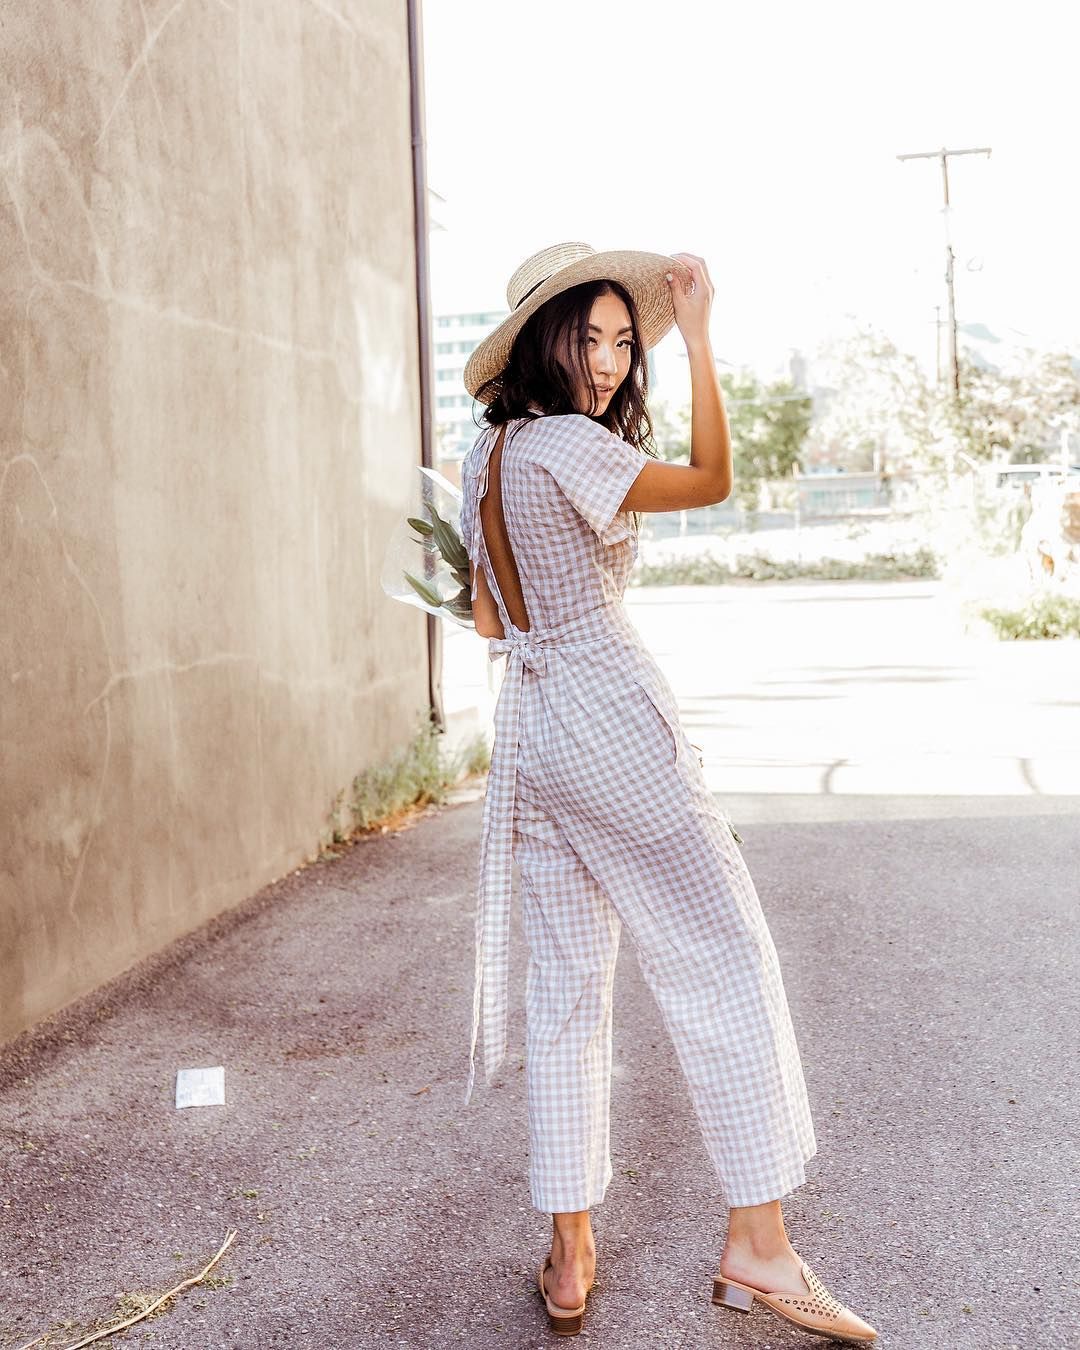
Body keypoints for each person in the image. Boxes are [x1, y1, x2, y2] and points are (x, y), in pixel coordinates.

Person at [456, 242, 877, 1344]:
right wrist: (698, 337)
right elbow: (715, 483)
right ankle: (760, 1246)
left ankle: (569, 1248)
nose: (604, 361)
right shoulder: (565, 447)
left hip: (530, 729)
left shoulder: (488, 456)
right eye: (585, 337)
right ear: (541, 341)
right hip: (601, 712)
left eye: (621, 341)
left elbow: (490, 619)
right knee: (721, 953)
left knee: (568, 989)